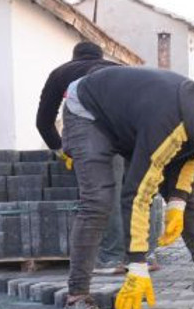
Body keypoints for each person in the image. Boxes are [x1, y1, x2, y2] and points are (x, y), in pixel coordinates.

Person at [60, 66, 194, 309]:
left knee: (186, 198)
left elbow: (187, 164)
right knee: (98, 200)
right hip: (89, 112)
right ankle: (76, 300)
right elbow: (137, 194)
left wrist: (176, 203)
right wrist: (137, 265)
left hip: (132, 120)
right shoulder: (169, 122)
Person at [35, 42, 158, 274]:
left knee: (105, 192)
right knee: (138, 192)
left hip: (98, 129)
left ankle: (110, 258)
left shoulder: (62, 72)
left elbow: (43, 121)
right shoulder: (120, 70)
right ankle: (143, 256)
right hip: (135, 128)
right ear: (101, 57)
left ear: (74, 57)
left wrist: (60, 149)